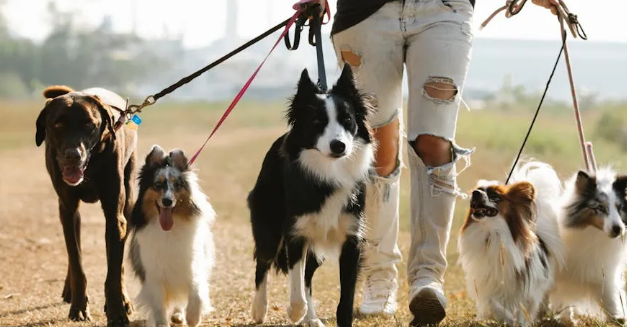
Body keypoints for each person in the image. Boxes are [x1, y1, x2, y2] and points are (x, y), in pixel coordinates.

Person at [326, 0, 559, 325]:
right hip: (364, 13)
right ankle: (379, 276)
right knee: (377, 147)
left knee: (435, 144)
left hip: (445, 10)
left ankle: (427, 276)